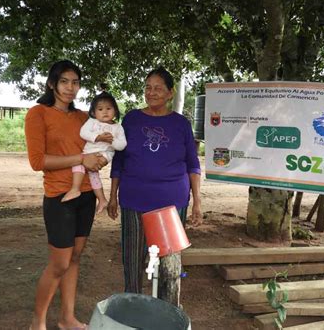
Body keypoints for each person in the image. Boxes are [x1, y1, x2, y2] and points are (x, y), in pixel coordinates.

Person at [107, 66, 202, 306]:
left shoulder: (181, 124)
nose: (152, 92)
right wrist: (112, 196)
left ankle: (167, 312)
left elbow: (193, 164)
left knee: (169, 267)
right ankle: (134, 308)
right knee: (133, 263)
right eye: (148, 87)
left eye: (158, 88)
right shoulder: (131, 119)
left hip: (172, 204)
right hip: (133, 200)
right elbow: (119, 160)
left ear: (170, 93)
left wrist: (198, 202)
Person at [25, 60, 107, 330]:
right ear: (52, 84)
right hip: (60, 196)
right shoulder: (38, 114)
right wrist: (83, 159)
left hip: (86, 196)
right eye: (64, 82)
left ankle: (66, 318)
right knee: (59, 263)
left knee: (75, 257)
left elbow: (100, 146)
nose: (70, 88)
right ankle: (38, 321)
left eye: (75, 82)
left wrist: (102, 156)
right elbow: (38, 161)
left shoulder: (84, 117)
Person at [62, 92, 127, 215]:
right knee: (83, 168)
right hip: (88, 152)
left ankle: (88, 193)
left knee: (93, 170)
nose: (105, 112)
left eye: (109, 108)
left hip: (104, 154)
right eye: (100, 109)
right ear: (94, 112)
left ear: (115, 110)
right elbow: (83, 133)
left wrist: (111, 140)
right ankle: (98, 198)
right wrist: (98, 137)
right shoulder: (92, 122)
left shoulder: (118, 128)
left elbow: (122, 145)